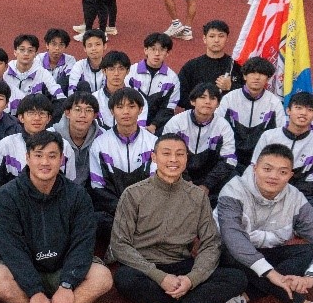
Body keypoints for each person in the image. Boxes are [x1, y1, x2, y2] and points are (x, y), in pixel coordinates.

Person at [0, 130, 114, 303]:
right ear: (27, 158)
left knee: (103, 277)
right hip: (22, 270)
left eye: (52, 156)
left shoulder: (77, 195)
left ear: (61, 159)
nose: (45, 162)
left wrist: (67, 284)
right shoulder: (5, 197)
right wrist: (35, 292)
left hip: (62, 267)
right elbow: (11, 249)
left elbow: (83, 243)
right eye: (38, 155)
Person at [112, 134, 247, 303]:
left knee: (237, 278)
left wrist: (192, 279)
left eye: (179, 154)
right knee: (124, 279)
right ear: (154, 157)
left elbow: (211, 242)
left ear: (186, 158)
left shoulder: (197, 196)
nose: (173, 160)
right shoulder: (133, 193)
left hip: (182, 265)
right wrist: (161, 277)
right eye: (166, 154)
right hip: (145, 267)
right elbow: (119, 244)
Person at [216, 143, 313, 303]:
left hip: (265, 254)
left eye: (282, 172)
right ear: (254, 168)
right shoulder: (232, 191)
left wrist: (310, 279)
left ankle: (249, 294)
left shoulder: (296, 198)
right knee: (232, 253)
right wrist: (273, 274)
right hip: (230, 254)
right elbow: (234, 240)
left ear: (290, 175)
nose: (273, 176)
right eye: (267, 169)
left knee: (308, 251)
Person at [88, 87, 156, 235]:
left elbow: (155, 183)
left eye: (131, 106)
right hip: (114, 213)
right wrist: (124, 210)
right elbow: (98, 187)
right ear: (112, 111)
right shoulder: (99, 145)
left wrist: (139, 212)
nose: (126, 112)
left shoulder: (153, 143)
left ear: (140, 109)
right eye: (119, 107)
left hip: (147, 211)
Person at [251, 91, 313, 216]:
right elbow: (255, 164)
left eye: (310, 110)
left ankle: (280, 214)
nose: (303, 113)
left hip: (299, 191)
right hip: (268, 185)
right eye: (298, 108)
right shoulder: (269, 136)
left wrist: (290, 193)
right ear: (288, 111)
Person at [161, 83, 236, 202]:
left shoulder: (223, 126)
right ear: (192, 101)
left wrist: (206, 185)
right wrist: (186, 181)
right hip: (180, 175)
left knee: (234, 178)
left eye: (212, 98)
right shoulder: (176, 123)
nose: (207, 102)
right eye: (202, 97)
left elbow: (229, 160)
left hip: (210, 179)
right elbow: (166, 155)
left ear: (218, 104)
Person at [218, 56, 284, 174]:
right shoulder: (229, 98)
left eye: (262, 74)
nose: (257, 77)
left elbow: (280, 134)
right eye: (252, 73)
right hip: (231, 157)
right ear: (244, 76)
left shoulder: (274, 103)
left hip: (261, 160)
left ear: (268, 78)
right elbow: (217, 128)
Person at [177, 20, 241, 106]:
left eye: (221, 36)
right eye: (212, 36)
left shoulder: (235, 66)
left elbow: (250, 94)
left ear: (227, 39)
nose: (216, 40)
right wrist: (201, 106)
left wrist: (231, 87)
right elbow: (179, 95)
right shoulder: (191, 66)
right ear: (204, 39)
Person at [52, 90, 99, 186]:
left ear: (95, 115)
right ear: (67, 113)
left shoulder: (101, 137)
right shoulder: (51, 136)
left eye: (88, 110)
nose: (83, 115)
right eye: (77, 109)